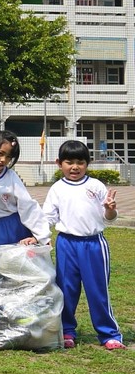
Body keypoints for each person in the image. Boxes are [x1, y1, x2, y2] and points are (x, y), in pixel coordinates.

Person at [43, 140, 125, 350]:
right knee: (66, 290)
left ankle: (109, 334)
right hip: (66, 244)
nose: (75, 167)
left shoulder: (95, 186)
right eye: (69, 162)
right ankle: (67, 330)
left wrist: (110, 209)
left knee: (97, 291)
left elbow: (109, 218)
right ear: (59, 163)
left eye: (80, 162)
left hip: (93, 245)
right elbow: (48, 218)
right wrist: (41, 237)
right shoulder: (57, 188)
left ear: (87, 164)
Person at [0, 130, 50, 267]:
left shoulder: (10, 176)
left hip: (15, 225)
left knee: (21, 266)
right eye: (1, 153)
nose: (4, 160)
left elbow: (27, 205)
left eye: (9, 157)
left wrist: (42, 234)